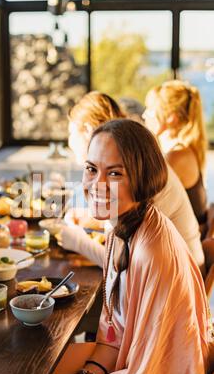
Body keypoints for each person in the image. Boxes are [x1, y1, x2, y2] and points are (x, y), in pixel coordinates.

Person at [24, 119, 212, 374]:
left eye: (114, 173)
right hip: (129, 373)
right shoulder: (122, 227)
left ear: (143, 178)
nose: (97, 184)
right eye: (91, 169)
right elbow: (114, 330)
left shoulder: (153, 252)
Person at [61, 91, 205, 270]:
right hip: (176, 268)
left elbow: (125, 264)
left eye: (71, 132)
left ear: (89, 129)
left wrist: (77, 242)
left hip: (177, 274)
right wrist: (92, 219)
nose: (69, 142)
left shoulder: (141, 171)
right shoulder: (136, 157)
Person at [144, 80, 208, 226]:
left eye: (150, 109)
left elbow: (148, 202)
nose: (144, 114)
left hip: (185, 244)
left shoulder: (177, 156)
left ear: (171, 117)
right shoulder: (177, 150)